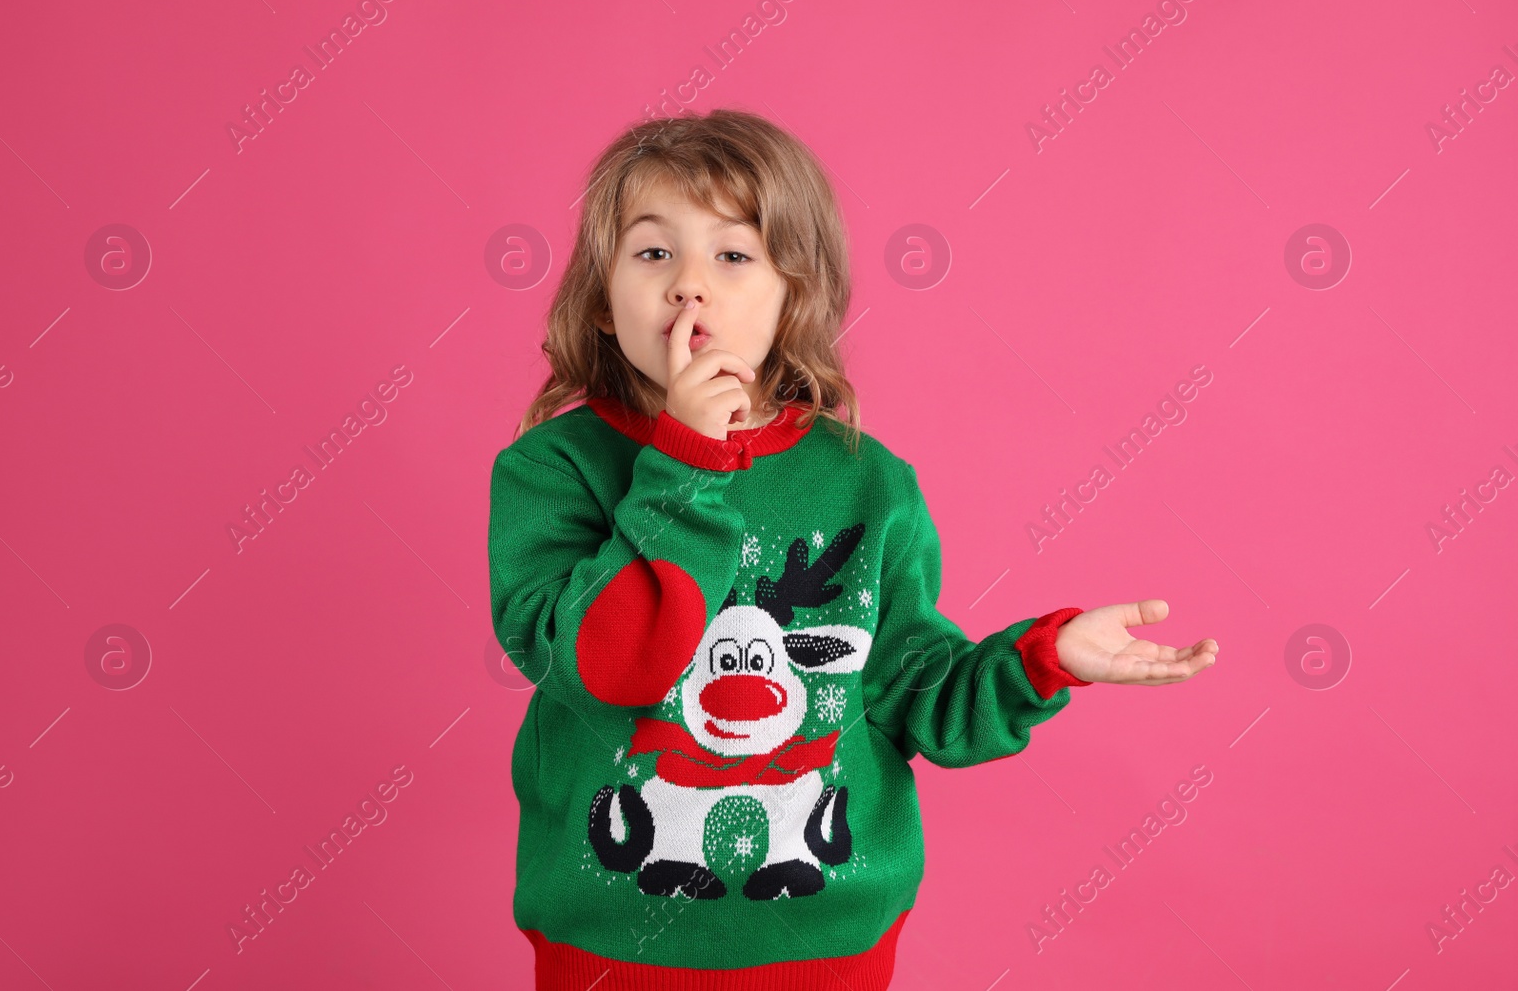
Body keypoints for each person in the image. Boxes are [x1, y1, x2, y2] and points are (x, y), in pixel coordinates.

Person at [486, 109, 1218, 990]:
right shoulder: (550, 471)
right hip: (611, 948)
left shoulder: (870, 484)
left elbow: (918, 693)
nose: (689, 288)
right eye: (652, 254)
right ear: (603, 301)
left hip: (828, 948)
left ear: (794, 290)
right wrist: (685, 460)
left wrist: (1041, 659)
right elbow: (611, 668)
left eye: (732, 255)